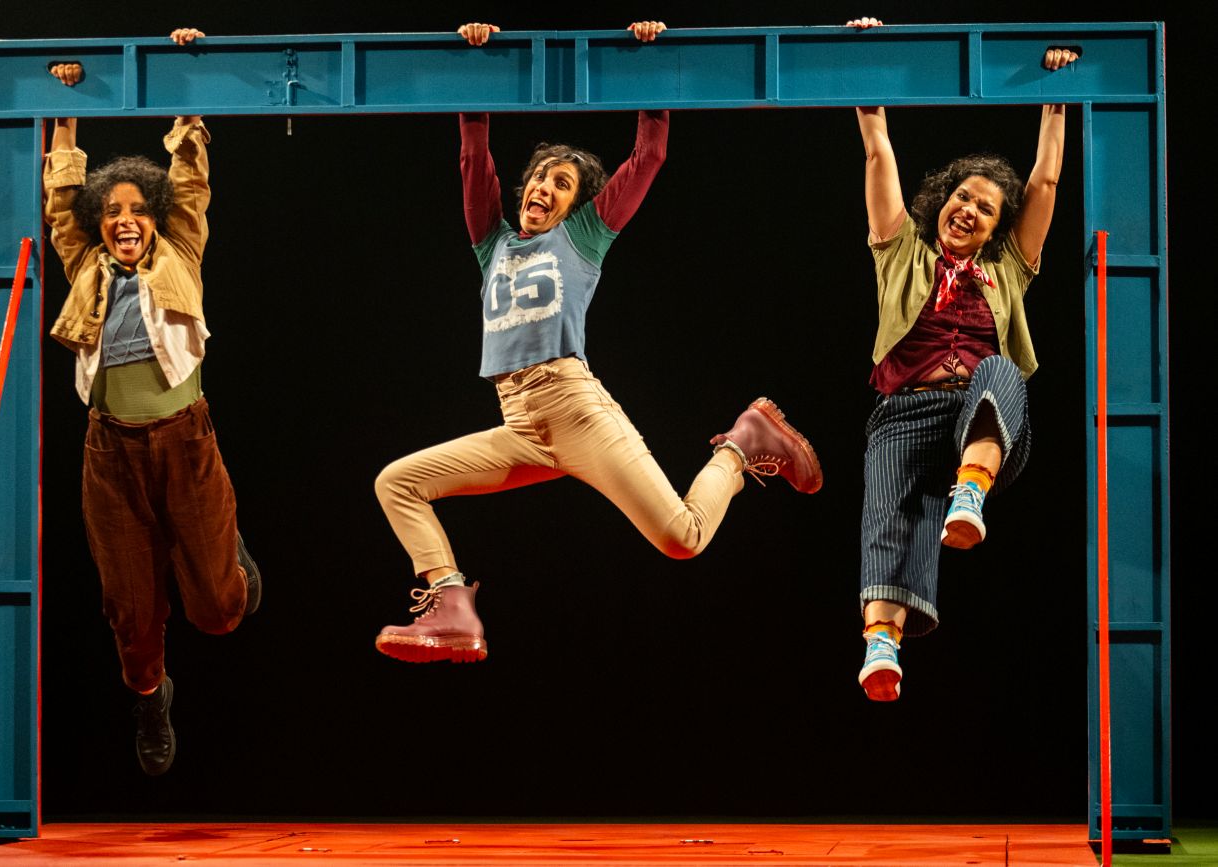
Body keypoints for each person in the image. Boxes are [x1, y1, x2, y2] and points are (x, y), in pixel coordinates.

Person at [374, 20, 822, 664]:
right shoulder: (491, 244)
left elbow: (649, 157)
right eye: (540, 177)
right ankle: (451, 602)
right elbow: (474, 157)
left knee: (683, 538)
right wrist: (476, 63)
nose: (543, 188)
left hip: (574, 407)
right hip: (519, 423)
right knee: (397, 482)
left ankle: (742, 444)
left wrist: (651, 65)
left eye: (562, 185)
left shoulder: (582, 238)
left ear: (576, 207)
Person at [44, 28, 260, 774]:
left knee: (220, 613)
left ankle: (228, 554)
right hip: (110, 452)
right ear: (101, 223)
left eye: (138, 208)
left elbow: (191, 178)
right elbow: (62, 202)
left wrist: (184, 83)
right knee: (130, 611)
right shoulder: (84, 262)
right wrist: (64, 111)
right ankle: (150, 697)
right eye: (112, 211)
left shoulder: (180, 250)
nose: (125, 219)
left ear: (155, 216)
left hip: (184, 438)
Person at [848, 17, 1077, 700]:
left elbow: (1045, 182)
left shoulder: (1008, 270)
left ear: (998, 228)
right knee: (889, 505)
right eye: (962, 197)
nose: (970, 210)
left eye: (986, 208)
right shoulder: (901, 252)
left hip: (979, 421)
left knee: (999, 370)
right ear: (942, 203)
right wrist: (864, 66)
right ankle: (881, 645)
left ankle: (969, 490)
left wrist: (1056, 94)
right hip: (904, 413)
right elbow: (878, 154)